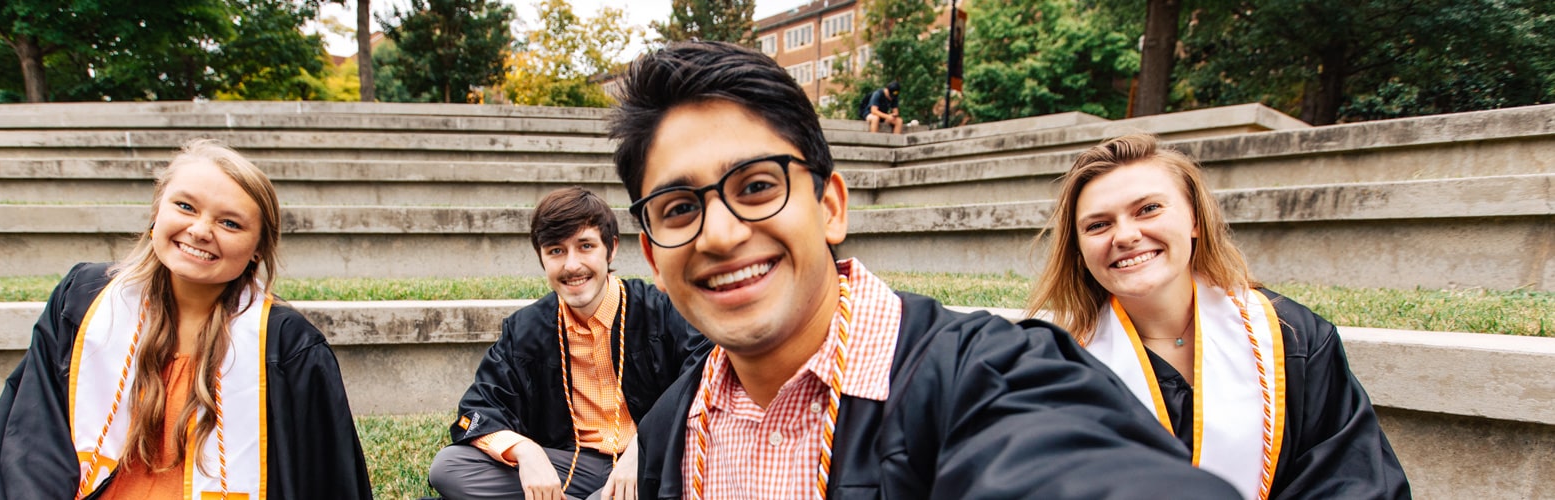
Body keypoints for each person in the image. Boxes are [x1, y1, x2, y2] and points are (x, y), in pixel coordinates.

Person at [607, 41, 1237, 499]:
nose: (719, 234)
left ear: (830, 207)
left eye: (757, 186)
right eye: (680, 208)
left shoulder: (989, 377)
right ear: (653, 255)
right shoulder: (672, 427)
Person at [0, 140, 372, 499]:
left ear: (258, 249)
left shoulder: (287, 346)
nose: (201, 230)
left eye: (230, 223)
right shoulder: (83, 302)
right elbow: (31, 438)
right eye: (185, 206)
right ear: (158, 209)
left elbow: (323, 478)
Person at [1026, 134, 1411, 499]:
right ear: (1078, 249)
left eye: (1148, 209)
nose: (1125, 236)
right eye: (1098, 225)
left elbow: (1352, 479)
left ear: (1194, 220)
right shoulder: (1059, 370)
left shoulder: (1292, 338)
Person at [429, 187, 706, 500]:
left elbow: (701, 378)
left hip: (649, 464)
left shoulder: (662, 312)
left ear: (611, 249)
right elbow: (481, 406)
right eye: (556, 251)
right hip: (571, 466)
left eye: (585, 246)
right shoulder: (525, 330)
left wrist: (645, 446)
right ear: (542, 259)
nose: (572, 265)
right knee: (450, 466)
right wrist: (526, 452)